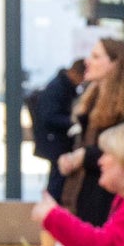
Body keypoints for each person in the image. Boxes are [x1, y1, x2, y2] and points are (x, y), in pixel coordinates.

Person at [58, 36, 124, 227]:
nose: (88, 61)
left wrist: (83, 157)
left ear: (115, 64)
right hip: (83, 194)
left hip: (105, 200)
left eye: (96, 57)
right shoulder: (91, 101)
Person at [29, 57, 84, 202]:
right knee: (57, 179)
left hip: (55, 139)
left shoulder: (63, 86)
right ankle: (51, 206)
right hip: (54, 139)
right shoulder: (58, 88)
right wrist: (71, 123)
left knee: (57, 177)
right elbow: (49, 116)